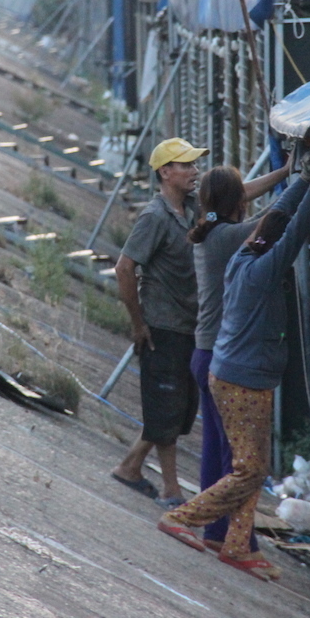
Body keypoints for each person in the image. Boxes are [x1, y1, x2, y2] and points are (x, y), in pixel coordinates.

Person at [157, 160, 310, 582]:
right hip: (234, 366)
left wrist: (298, 175)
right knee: (244, 466)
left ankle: (234, 542)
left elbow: (265, 218)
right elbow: (284, 227)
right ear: (239, 205)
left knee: (243, 462)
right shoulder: (240, 247)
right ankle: (188, 519)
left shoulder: (220, 236)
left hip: (219, 359)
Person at [185, 155, 292, 553]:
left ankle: (214, 531)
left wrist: (283, 173)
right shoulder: (231, 237)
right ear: (234, 201)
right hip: (222, 356)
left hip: (203, 352)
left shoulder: (209, 229)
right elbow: (275, 224)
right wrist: (305, 183)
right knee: (239, 459)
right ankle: (235, 537)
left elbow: (241, 195)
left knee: (216, 449)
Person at [109, 137, 208, 508]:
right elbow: (124, 268)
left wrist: (285, 176)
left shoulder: (195, 209)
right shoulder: (154, 217)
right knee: (167, 406)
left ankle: (130, 467)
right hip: (162, 328)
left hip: (188, 326)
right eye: (187, 165)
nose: (195, 171)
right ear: (166, 172)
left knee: (178, 410)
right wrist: (138, 323)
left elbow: (236, 197)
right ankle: (171, 490)